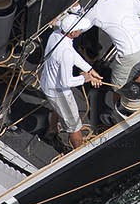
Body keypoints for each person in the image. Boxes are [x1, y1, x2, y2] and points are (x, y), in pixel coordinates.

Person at [39, 12, 101, 150]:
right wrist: (86, 77)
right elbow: (66, 82)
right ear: (72, 32)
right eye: (79, 30)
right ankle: (79, 152)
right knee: (75, 127)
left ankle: (52, 131)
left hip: (47, 83)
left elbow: (73, 54)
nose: (81, 31)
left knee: (57, 108)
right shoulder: (65, 52)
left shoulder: (56, 35)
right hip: (59, 92)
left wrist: (90, 69)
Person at [84, 0, 140, 99]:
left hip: (130, 55)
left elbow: (78, 29)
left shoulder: (95, 10)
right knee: (139, 73)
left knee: (118, 88)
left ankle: (121, 113)